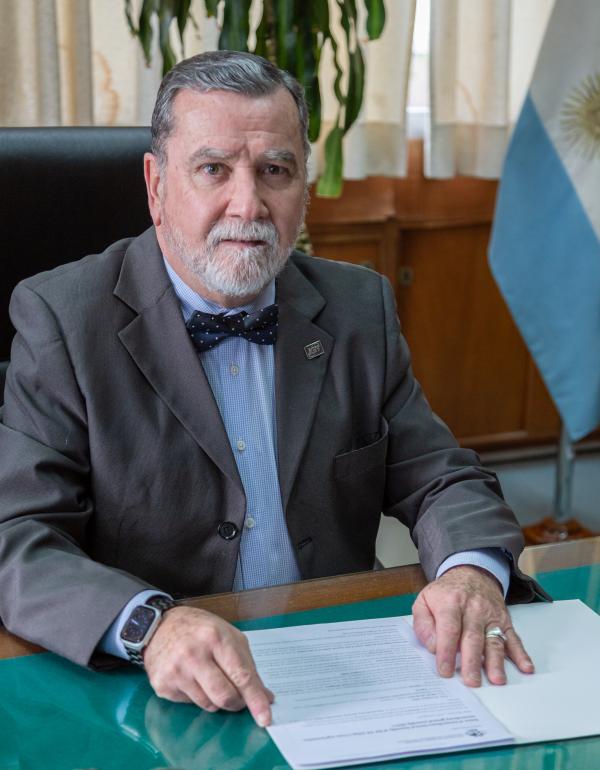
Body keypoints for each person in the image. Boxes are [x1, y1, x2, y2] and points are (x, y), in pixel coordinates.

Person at [0, 51, 543, 729]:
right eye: (213, 169)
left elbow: (442, 477)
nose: (248, 204)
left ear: (304, 187)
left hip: (344, 666)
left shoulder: (357, 308)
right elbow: (18, 538)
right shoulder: (63, 320)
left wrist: (470, 573)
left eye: (275, 170)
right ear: (156, 184)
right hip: (150, 691)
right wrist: (149, 626)